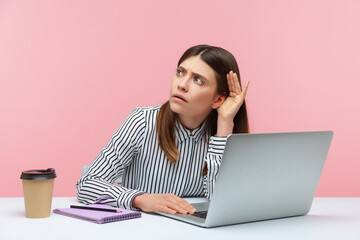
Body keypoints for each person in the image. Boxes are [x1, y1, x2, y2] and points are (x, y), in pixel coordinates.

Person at [76, 44, 250, 215]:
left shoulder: (222, 134)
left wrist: (225, 124)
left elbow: (222, 201)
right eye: (180, 72)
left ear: (218, 100)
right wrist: (140, 199)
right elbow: (87, 184)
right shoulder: (142, 121)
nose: (181, 84)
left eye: (198, 80)